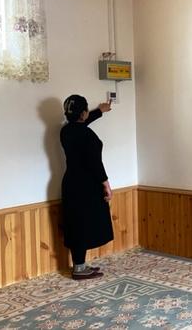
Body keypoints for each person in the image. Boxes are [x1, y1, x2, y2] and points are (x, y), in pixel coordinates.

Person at [60, 94, 113, 280]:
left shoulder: (66, 131)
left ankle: (79, 265)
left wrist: (100, 111)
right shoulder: (86, 135)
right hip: (87, 185)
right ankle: (79, 269)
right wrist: (106, 184)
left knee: (76, 224)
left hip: (71, 183)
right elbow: (95, 163)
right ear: (83, 113)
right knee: (85, 224)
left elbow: (79, 125)